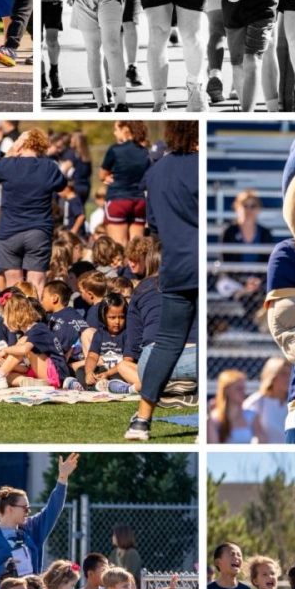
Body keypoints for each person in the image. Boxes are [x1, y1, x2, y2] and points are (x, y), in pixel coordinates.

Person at [125, 122, 199, 440]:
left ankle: (141, 421)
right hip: (204, 264)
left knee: (167, 343)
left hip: (174, 266)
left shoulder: (156, 171)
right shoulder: (201, 165)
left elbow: (153, 228)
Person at [0, 457, 78, 589]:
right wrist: (2, 568)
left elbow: (52, 510)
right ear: (10, 509)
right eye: (25, 508)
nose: (28, 512)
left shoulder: (30, 528)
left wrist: (62, 478)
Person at [0, 129, 66, 294]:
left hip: (10, 231)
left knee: (13, 283)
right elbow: (62, 184)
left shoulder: (8, 164)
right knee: (37, 283)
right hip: (38, 230)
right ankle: (37, 318)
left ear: (21, 145)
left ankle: (15, 317)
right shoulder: (49, 167)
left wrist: (9, 153)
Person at [100, 121, 150, 247]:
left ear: (125, 129)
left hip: (118, 198)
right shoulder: (145, 152)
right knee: (137, 247)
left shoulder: (115, 150)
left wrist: (108, 177)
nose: (115, 133)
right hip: (139, 201)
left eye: (117, 129)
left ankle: (122, 267)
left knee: (119, 245)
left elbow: (102, 174)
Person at [244, 356, 289, 443]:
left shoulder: (293, 403)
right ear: (272, 376)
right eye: (283, 374)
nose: (288, 378)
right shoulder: (256, 402)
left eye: (290, 374)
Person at [207, 369, 256, 443]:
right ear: (227, 390)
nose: (243, 392)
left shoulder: (251, 415)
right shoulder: (214, 419)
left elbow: (263, 441)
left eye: (244, 388)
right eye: (239, 389)